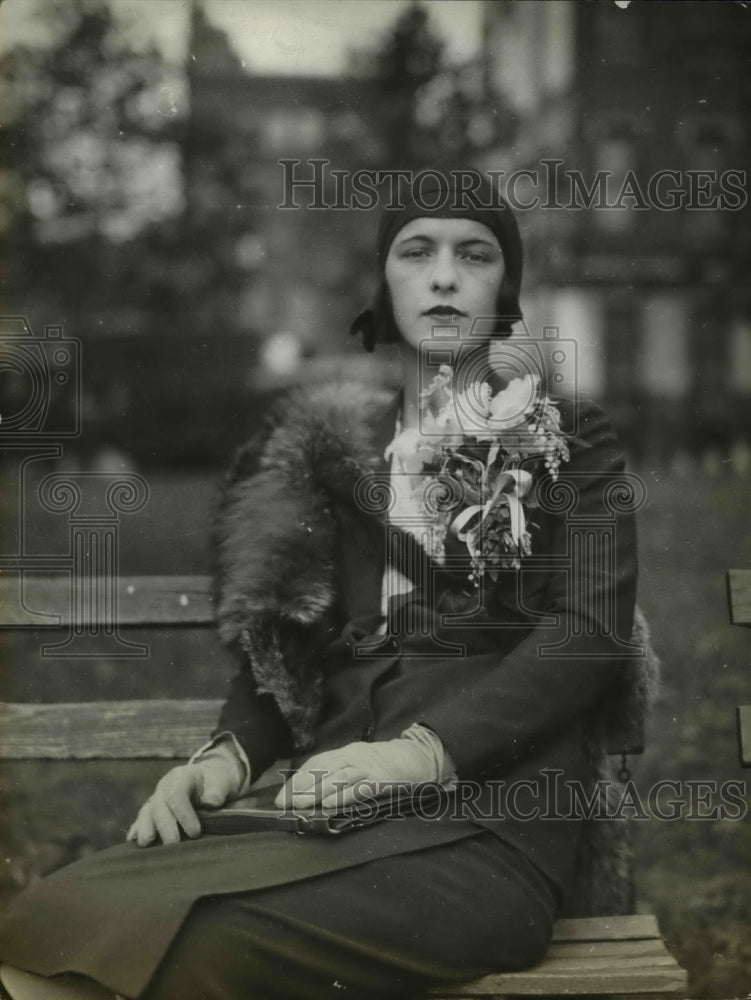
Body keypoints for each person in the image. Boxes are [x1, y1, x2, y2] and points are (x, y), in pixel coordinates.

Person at [0, 168, 647, 1000]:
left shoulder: (567, 439)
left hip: (484, 828)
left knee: (198, 944)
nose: (444, 275)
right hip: (320, 817)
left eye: (474, 255)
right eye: (416, 252)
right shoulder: (333, 456)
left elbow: (587, 631)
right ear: (383, 285)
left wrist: (420, 756)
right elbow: (286, 646)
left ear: (504, 289)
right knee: (49, 916)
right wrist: (225, 760)